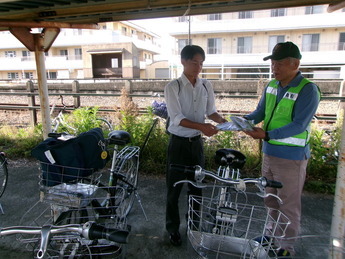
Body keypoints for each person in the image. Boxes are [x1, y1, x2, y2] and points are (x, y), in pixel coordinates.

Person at [243, 41, 321, 256]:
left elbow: (299, 125)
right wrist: (244, 121)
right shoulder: (271, 86)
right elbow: (259, 113)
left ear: (295, 63)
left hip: (291, 159)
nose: (274, 68)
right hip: (269, 154)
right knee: (270, 199)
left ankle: (286, 247)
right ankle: (271, 236)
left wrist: (266, 135)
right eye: (273, 63)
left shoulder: (308, 90)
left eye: (279, 64)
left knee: (288, 204)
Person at [164, 45, 227, 246]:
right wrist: (203, 126)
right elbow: (176, 118)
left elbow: (211, 113)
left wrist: (227, 123)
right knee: (173, 190)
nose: (198, 67)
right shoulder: (173, 87)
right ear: (183, 61)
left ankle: (194, 226)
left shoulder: (206, 85)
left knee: (197, 188)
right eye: (194, 63)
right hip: (178, 145)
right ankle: (173, 229)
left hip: (196, 146)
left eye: (201, 63)